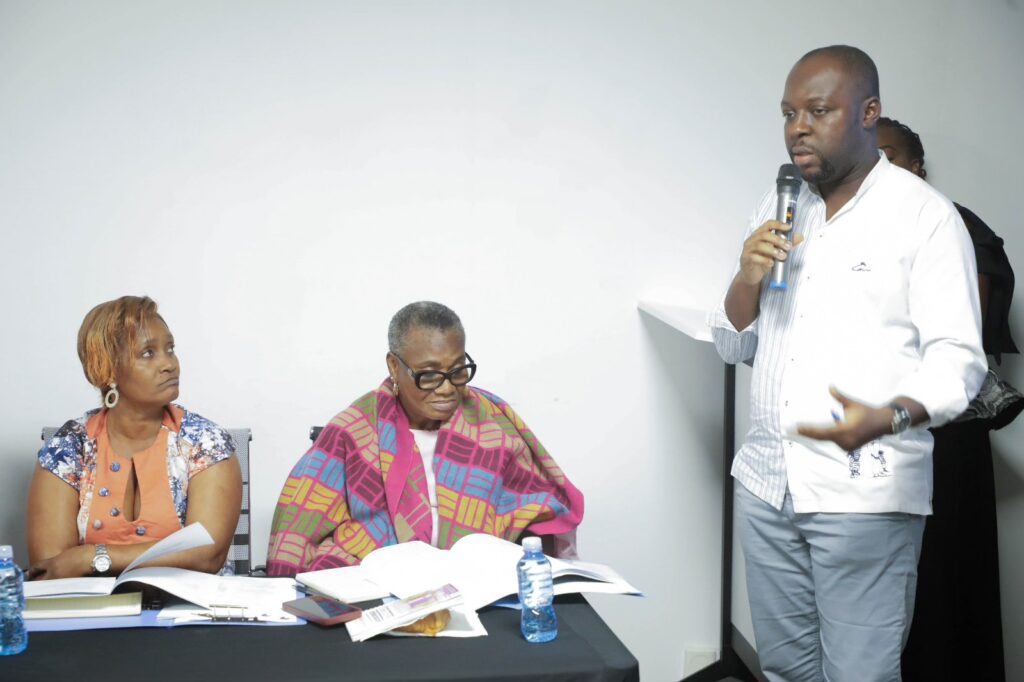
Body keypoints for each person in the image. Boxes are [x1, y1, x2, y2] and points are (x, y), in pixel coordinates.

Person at [709, 46, 986, 681]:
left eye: (818, 110)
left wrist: (888, 417)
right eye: (788, 114)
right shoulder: (778, 204)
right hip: (765, 482)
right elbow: (733, 346)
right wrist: (746, 278)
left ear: (868, 112)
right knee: (785, 669)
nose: (798, 128)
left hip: (863, 492)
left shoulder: (924, 217)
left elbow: (959, 362)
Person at [267, 301, 583, 575]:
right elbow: (299, 523)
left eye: (458, 371)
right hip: (373, 577)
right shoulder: (354, 429)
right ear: (395, 366)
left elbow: (542, 506)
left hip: (476, 581)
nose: (447, 388)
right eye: (429, 375)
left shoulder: (492, 424)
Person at [878, 116, 1020, 682]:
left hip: (946, 434)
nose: (878, 165)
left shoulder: (956, 224)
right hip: (890, 434)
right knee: (891, 587)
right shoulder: (860, 229)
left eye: (890, 155)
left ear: (917, 166)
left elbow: (962, 333)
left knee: (945, 577)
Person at [27, 296, 242, 579]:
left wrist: (92, 557)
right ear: (108, 369)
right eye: (148, 353)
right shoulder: (69, 447)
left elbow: (207, 555)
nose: (169, 364)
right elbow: (50, 567)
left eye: (170, 349)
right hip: (95, 604)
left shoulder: (205, 441)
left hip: (190, 604)